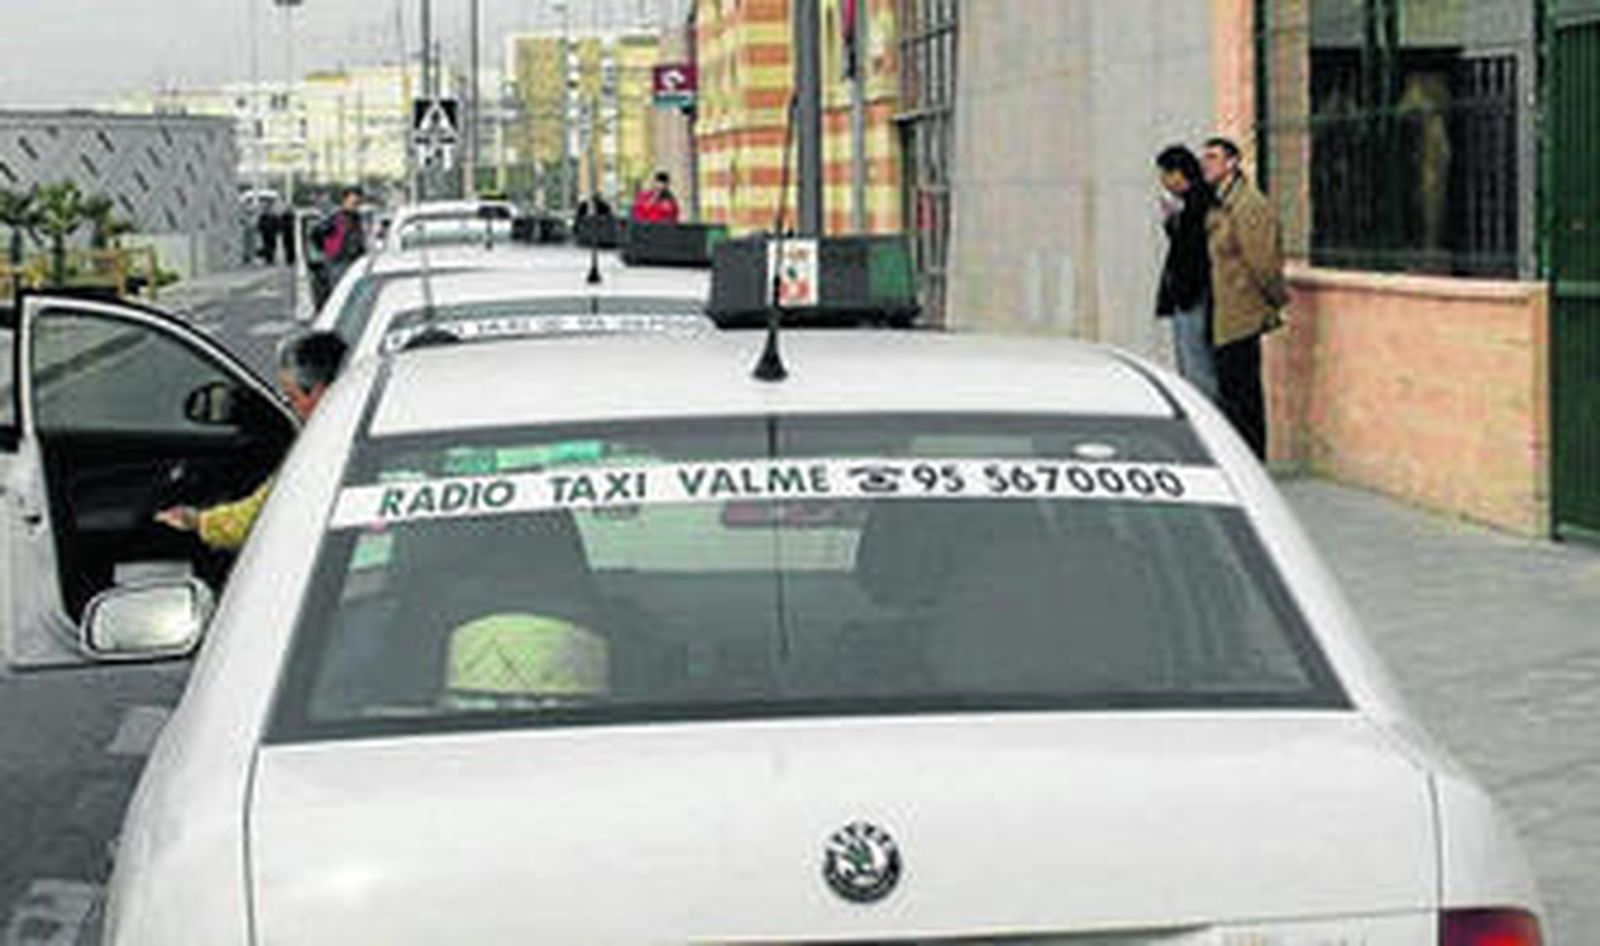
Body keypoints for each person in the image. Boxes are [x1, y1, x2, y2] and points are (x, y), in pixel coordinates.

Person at [155, 331, 348, 550]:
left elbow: (260, 517)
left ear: (319, 393)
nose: (290, 408)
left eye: (292, 397)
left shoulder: (319, 455)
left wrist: (196, 521)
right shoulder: (359, 430)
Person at [1201, 136, 1289, 460]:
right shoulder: (1218, 202)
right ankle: (1237, 458)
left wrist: (1277, 301)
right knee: (1228, 392)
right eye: (1204, 158)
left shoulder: (1248, 204)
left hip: (1241, 315)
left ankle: (1253, 460)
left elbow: (1264, 263)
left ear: (1232, 163)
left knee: (1243, 395)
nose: (1205, 164)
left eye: (1212, 157)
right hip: (1221, 313)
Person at [1154, 145, 1219, 402]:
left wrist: (1174, 221)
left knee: (1197, 367)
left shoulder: (1198, 203)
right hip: (1188, 294)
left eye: (1165, 175)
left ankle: (1206, 419)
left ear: (1179, 174)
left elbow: (1192, 252)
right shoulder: (1191, 203)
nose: (1163, 182)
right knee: (1191, 364)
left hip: (1193, 294)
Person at [311, 187, 366, 307]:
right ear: (345, 200)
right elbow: (316, 233)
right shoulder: (334, 217)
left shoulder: (357, 217)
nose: (356, 206)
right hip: (338, 261)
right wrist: (327, 250)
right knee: (339, 295)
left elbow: (359, 238)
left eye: (358, 203)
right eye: (353, 202)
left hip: (354, 260)